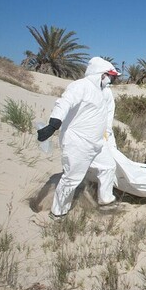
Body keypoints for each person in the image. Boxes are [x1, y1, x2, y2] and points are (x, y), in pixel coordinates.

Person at [37, 57, 121, 220]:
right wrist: (53, 124)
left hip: (97, 143)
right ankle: (58, 213)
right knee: (71, 179)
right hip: (78, 143)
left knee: (108, 167)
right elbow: (64, 103)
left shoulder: (102, 92)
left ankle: (105, 200)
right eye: (110, 76)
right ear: (101, 74)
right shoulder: (80, 86)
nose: (111, 79)